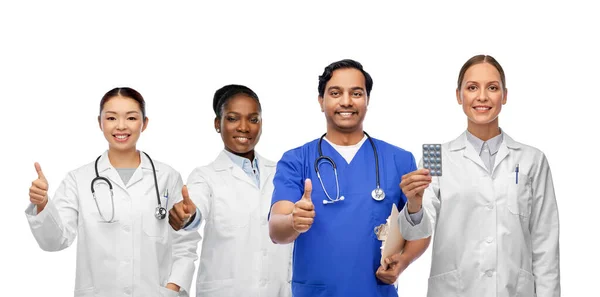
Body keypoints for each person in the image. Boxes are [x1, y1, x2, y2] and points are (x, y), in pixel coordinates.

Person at [399, 55, 561, 297]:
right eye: (472, 87)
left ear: (505, 95)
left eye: (492, 88)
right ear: (459, 95)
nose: (482, 97)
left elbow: (545, 243)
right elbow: (419, 233)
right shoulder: (437, 157)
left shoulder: (532, 160)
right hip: (454, 290)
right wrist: (414, 204)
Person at [268, 59, 431, 297]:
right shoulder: (296, 160)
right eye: (335, 93)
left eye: (356, 93)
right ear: (321, 101)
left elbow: (418, 231)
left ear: (367, 100)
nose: (346, 101)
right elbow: (276, 230)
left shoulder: (399, 160)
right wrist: (293, 220)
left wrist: (403, 261)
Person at [26, 87, 199, 297]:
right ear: (100, 122)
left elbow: (185, 242)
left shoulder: (167, 177)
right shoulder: (78, 179)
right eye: (111, 118)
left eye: (131, 117)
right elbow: (55, 241)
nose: (121, 126)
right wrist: (43, 203)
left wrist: (173, 288)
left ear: (144, 123)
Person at [169, 84, 293, 296]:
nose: (244, 127)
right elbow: (196, 207)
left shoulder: (281, 172)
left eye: (253, 119)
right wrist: (188, 216)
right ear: (218, 124)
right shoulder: (205, 176)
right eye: (233, 118)